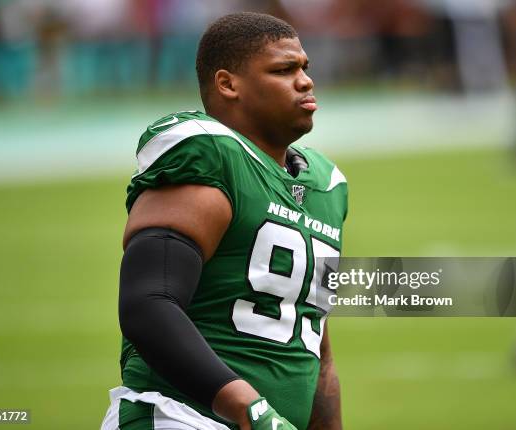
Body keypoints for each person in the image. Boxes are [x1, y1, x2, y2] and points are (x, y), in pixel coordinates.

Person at [101, 12, 348, 430]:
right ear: (228, 84)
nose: (305, 81)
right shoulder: (208, 155)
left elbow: (315, 349)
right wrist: (252, 410)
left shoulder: (327, 187)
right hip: (179, 417)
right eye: (283, 70)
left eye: (304, 68)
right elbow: (149, 305)